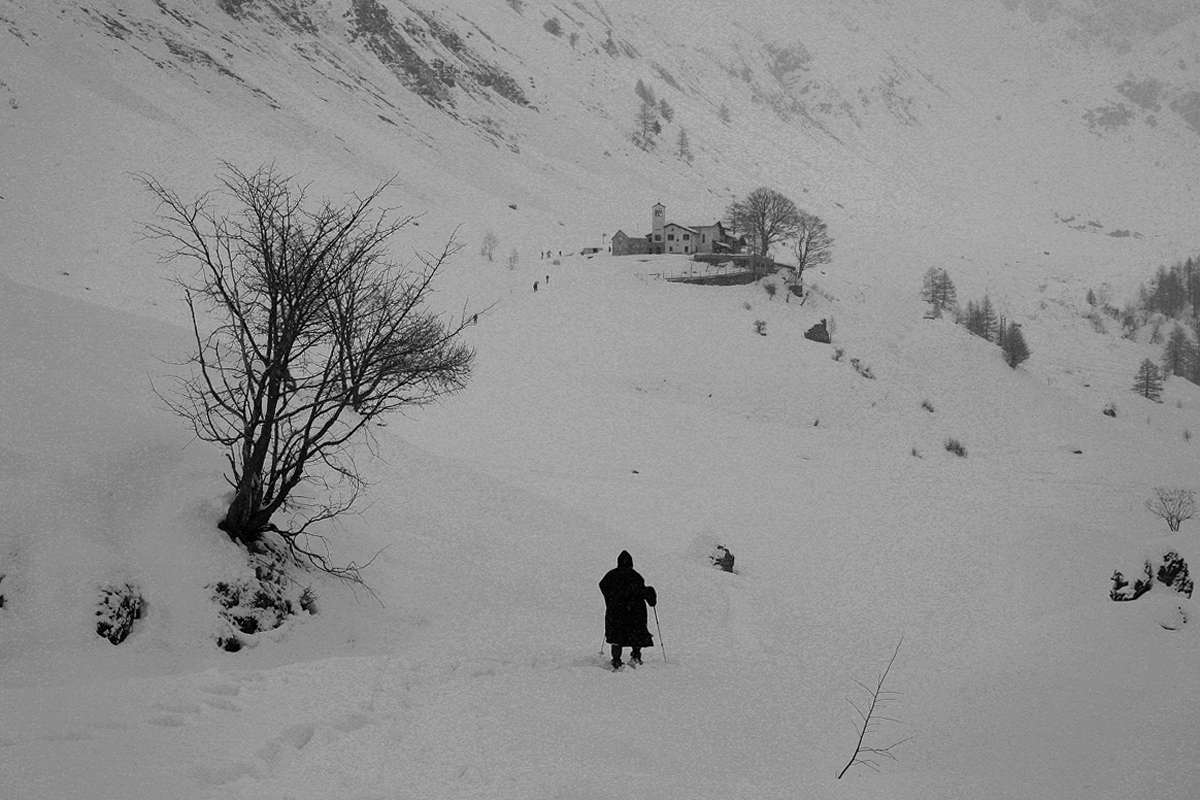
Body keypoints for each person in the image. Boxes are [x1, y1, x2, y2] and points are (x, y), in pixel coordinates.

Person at [599, 550, 657, 669]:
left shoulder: (611, 575)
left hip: (616, 613)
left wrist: (610, 600)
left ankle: (616, 660)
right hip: (634, 613)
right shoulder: (635, 576)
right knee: (636, 634)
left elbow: (602, 585)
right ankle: (636, 656)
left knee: (616, 636)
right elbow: (641, 591)